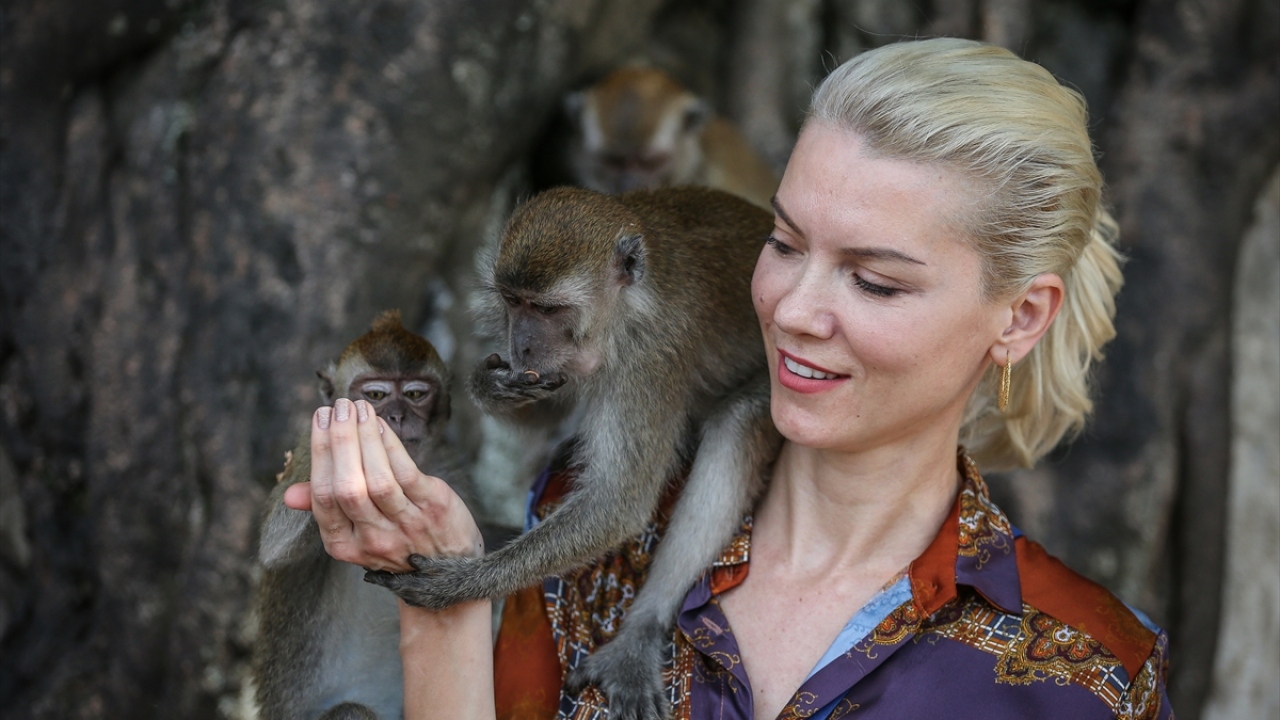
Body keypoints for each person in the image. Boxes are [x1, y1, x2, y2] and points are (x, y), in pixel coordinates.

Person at [286, 37, 1172, 720]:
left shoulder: (1081, 670)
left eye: (874, 280)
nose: (788, 310)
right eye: (781, 244)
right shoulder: (584, 544)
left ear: (1019, 317)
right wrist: (441, 593)